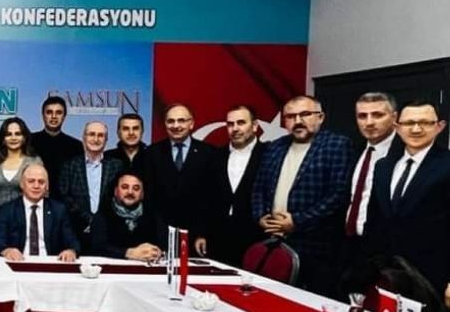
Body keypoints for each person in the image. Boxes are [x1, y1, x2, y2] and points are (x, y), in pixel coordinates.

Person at [364, 100, 450, 312]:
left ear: (439, 126)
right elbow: (373, 220)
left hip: (431, 277)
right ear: (397, 126)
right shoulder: (384, 166)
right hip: (384, 273)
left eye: (425, 122)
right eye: (409, 123)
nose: (416, 129)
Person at [253, 96, 353, 297]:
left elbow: (338, 195)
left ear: (320, 117)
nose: (297, 121)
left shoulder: (337, 145)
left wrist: (296, 221)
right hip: (273, 240)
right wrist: (261, 216)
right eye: (290, 116)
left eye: (305, 114)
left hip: (316, 247)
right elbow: (258, 188)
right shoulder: (275, 146)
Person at [143, 103, 220, 255]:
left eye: (181, 120)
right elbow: (148, 197)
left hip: (196, 238)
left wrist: (203, 233)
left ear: (191, 123)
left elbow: (213, 198)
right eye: (171, 121)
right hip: (159, 236)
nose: (176, 125)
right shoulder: (151, 153)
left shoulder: (209, 153)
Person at [343, 93, 403, 258]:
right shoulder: (353, 148)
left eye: (377, 115)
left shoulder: (406, 152)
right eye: (362, 116)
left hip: (387, 249)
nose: (369, 122)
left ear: (394, 117)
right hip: (349, 243)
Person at [209, 105, 268, 266]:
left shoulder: (269, 154)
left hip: (256, 238)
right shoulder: (216, 156)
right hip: (218, 239)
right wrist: (202, 233)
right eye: (230, 124)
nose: (235, 128)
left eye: (241, 122)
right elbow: (207, 197)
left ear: (254, 126)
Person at [0, 164, 80, 262]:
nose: (36, 186)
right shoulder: (7, 210)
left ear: (47, 186)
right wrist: (7, 251)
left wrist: (71, 251)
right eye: (31, 181)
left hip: (49, 264)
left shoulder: (58, 210)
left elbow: (72, 242)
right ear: (22, 184)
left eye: (41, 182)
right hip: (18, 263)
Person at [58, 121, 124, 252]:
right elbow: (64, 196)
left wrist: (99, 221)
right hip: (76, 231)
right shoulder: (70, 165)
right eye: (91, 134)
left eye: (101, 135)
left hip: (109, 232)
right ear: (84, 137)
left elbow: (119, 198)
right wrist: (89, 219)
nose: (96, 139)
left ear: (106, 140)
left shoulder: (117, 166)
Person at [90, 172, 163, 261]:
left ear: (142, 194)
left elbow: (164, 245)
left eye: (136, 188)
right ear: (116, 191)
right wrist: (128, 253)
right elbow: (97, 248)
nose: (130, 192)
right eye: (125, 187)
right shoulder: (102, 215)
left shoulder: (153, 216)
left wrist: (156, 252)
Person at [29, 96, 83, 193]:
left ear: (64, 116)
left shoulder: (76, 146)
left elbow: (78, 181)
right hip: (34, 195)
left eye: (58, 112)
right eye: (49, 112)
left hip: (65, 199)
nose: (54, 116)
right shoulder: (29, 141)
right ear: (43, 115)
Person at [0, 117, 42, 210]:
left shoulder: (34, 162)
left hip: (25, 216)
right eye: (9, 134)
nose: (13, 138)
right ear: (3, 139)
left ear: (24, 138)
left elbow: (42, 192)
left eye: (18, 134)